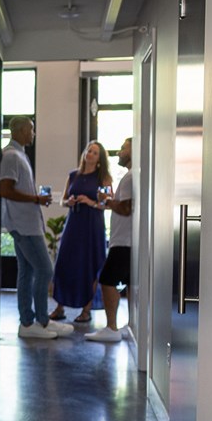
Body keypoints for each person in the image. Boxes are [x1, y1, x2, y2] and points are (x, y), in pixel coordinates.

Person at [0, 116, 74, 339]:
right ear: (21, 131)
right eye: (31, 129)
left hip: (26, 223)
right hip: (23, 225)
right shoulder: (11, 156)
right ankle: (39, 320)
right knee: (45, 269)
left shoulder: (18, 154)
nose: (33, 133)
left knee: (28, 271)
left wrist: (36, 200)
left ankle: (31, 322)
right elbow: (5, 190)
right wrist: (35, 199)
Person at [50, 141, 114, 323]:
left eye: (94, 152)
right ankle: (60, 306)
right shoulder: (73, 175)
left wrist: (91, 202)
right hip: (73, 224)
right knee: (64, 262)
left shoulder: (104, 178)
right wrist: (68, 202)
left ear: (100, 159)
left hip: (92, 226)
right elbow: (62, 200)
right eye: (89, 150)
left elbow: (108, 203)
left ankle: (86, 310)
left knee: (90, 265)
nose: (90, 154)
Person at [86, 138, 133, 342]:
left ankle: (111, 328)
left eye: (124, 148)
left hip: (124, 240)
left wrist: (107, 201)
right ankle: (131, 324)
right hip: (125, 239)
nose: (119, 152)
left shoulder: (130, 178)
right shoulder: (131, 176)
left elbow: (125, 208)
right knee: (130, 283)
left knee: (106, 280)